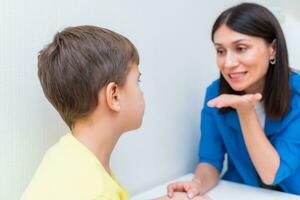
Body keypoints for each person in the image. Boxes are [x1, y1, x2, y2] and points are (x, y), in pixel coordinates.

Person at [167, 3, 300, 198]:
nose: (228, 63)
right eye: (221, 51)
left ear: (272, 49)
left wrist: (245, 110)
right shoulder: (215, 94)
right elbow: (210, 162)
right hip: (241, 191)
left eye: (241, 48)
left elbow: (271, 173)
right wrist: (196, 185)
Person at [21, 25, 145, 200]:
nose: (142, 93)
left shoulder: (65, 156)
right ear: (114, 96)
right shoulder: (97, 192)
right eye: (137, 81)